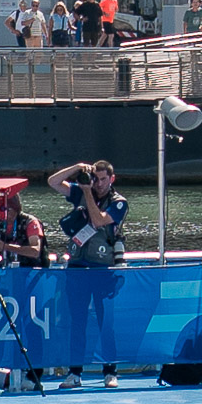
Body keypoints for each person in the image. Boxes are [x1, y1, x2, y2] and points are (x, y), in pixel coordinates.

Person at [48, 160, 128, 389]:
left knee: (106, 322)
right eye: (96, 179)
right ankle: (75, 373)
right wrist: (77, 168)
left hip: (103, 269)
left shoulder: (119, 202)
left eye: (103, 179)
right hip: (77, 267)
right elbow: (53, 182)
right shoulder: (83, 190)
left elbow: (99, 220)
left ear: (112, 179)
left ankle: (110, 371)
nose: (99, 184)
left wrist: (86, 193)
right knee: (77, 322)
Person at [0, 187, 49, 390]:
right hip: (7, 283)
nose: (4, 214)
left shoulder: (30, 222)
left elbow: (35, 250)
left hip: (31, 281)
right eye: (1, 210)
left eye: (7, 210)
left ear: (15, 208)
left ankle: (34, 375)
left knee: (32, 327)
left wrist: (6, 246)